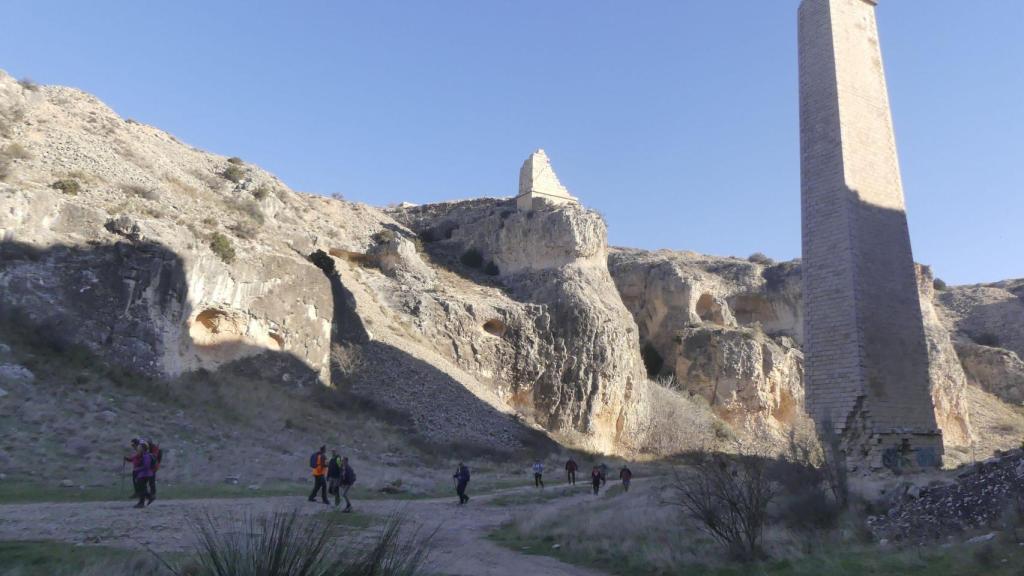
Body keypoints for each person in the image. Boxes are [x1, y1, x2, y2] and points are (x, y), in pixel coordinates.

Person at [127, 441, 155, 508]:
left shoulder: (146, 456)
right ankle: (143, 501)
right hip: (143, 474)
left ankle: (146, 499)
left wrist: (137, 469)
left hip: (145, 474)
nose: (138, 449)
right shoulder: (143, 455)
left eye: (139, 448)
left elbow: (146, 466)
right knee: (142, 488)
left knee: (141, 489)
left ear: (143, 449)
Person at [146, 439, 162, 503]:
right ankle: (151, 495)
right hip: (150, 467)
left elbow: (154, 456)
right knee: (150, 482)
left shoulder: (154, 448)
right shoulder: (150, 448)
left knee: (151, 482)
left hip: (153, 467)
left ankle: (152, 495)